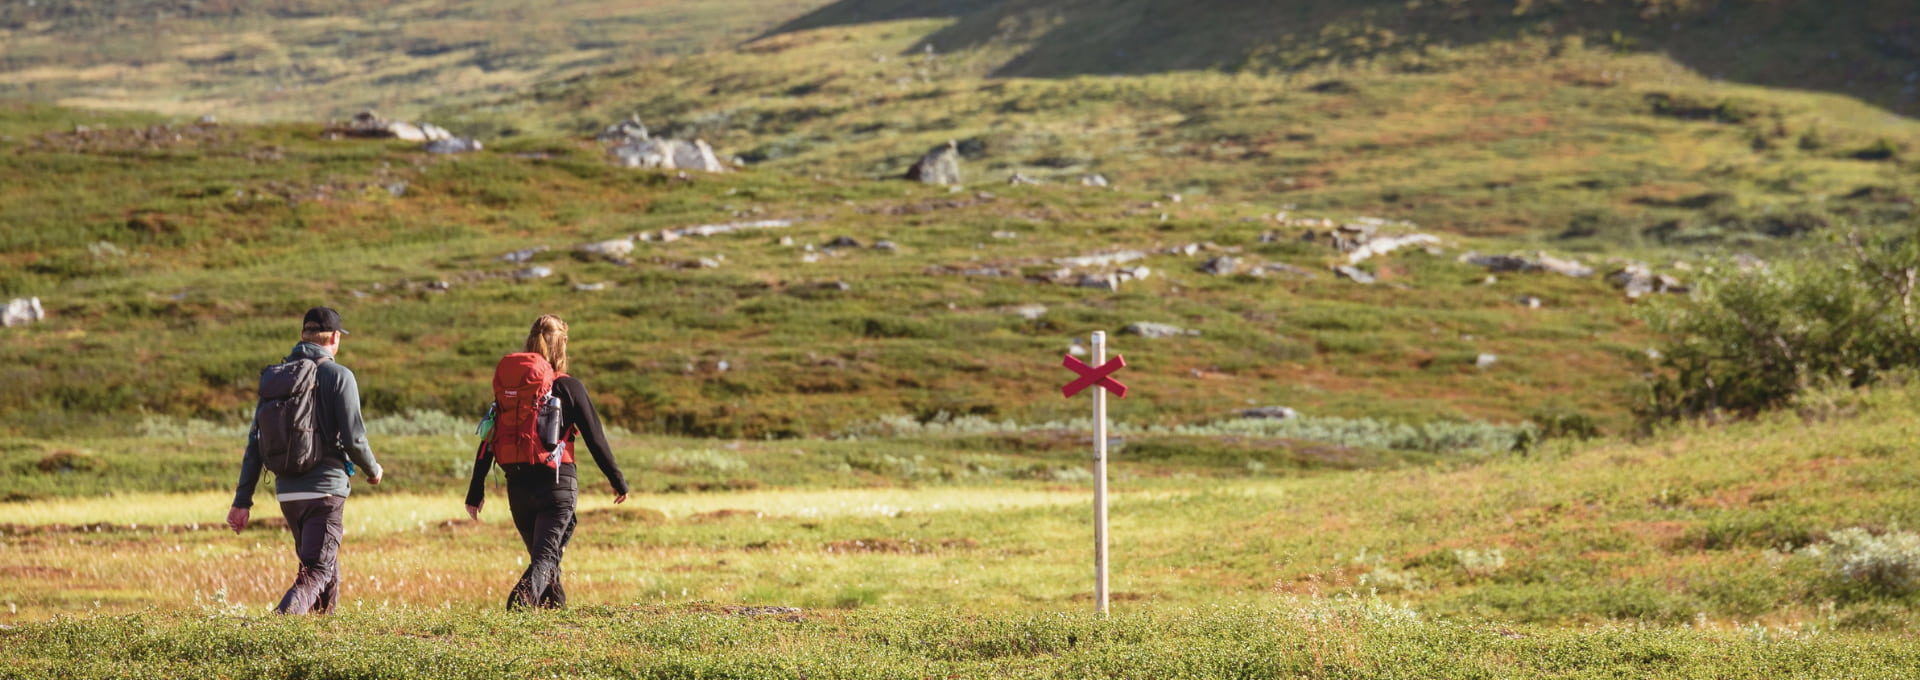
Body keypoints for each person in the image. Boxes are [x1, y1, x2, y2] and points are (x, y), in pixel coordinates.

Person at [227, 306, 385, 614]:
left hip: (288, 493)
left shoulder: (277, 379)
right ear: (335, 338)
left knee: (321, 565)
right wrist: (373, 469)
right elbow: (354, 439)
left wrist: (242, 500)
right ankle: (278, 628)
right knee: (317, 569)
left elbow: (254, 442)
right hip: (325, 490)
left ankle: (323, 634)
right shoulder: (339, 376)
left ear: (303, 335)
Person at [467, 314, 630, 610]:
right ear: (562, 345)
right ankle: (518, 604)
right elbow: (596, 437)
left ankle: (554, 618)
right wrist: (618, 481)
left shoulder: (512, 391)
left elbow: (489, 438)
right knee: (545, 559)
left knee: (546, 559)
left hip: (517, 487)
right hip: (557, 485)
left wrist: (475, 492)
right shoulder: (569, 387)